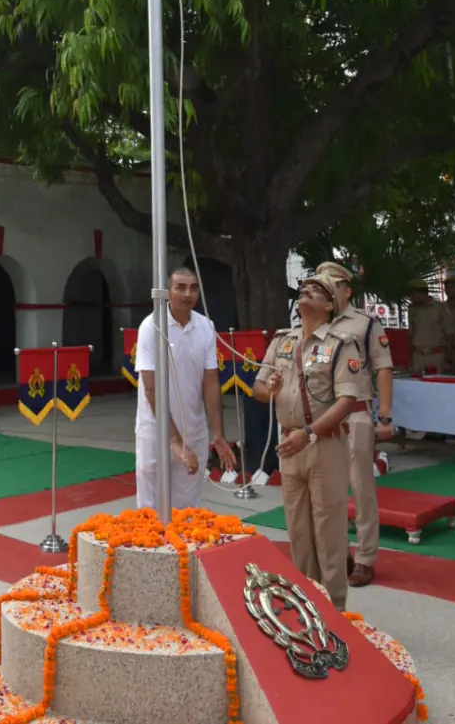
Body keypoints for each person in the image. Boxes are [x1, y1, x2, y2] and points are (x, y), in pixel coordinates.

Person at [253, 273, 360, 610]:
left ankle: (335, 611)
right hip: (289, 446)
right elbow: (257, 390)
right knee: (298, 533)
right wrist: (268, 387)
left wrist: (309, 433)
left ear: (330, 305)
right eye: (304, 288)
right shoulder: (282, 341)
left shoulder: (341, 344)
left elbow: (346, 401)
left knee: (329, 533)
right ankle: (307, 605)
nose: (307, 291)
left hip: (323, 445)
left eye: (317, 290)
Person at [316, 261, 394, 588]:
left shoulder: (365, 324)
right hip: (322, 418)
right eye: (322, 284)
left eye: (333, 284)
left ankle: (364, 557)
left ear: (347, 290)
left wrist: (385, 416)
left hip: (356, 414)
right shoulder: (314, 324)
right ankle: (338, 553)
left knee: (361, 490)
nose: (327, 289)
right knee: (325, 490)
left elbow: (384, 368)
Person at [134, 266, 236, 509]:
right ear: (168, 292)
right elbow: (151, 389)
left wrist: (218, 434)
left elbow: (210, 382)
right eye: (180, 287)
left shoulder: (205, 327)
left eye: (193, 288)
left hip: (194, 429)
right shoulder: (151, 327)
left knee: (187, 508)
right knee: (151, 507)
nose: (187, 294)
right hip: (155, 430)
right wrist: (174, 441)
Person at [408, 279, 449, 374]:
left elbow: (448, 334)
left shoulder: (440, 308)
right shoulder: (412, 309)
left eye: (414, 294)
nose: (412, 297)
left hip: (437, 354)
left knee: (437, 384)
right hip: (417, 355)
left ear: (422, 293)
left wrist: (448, 359)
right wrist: (410, 356)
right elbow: (411, 333)